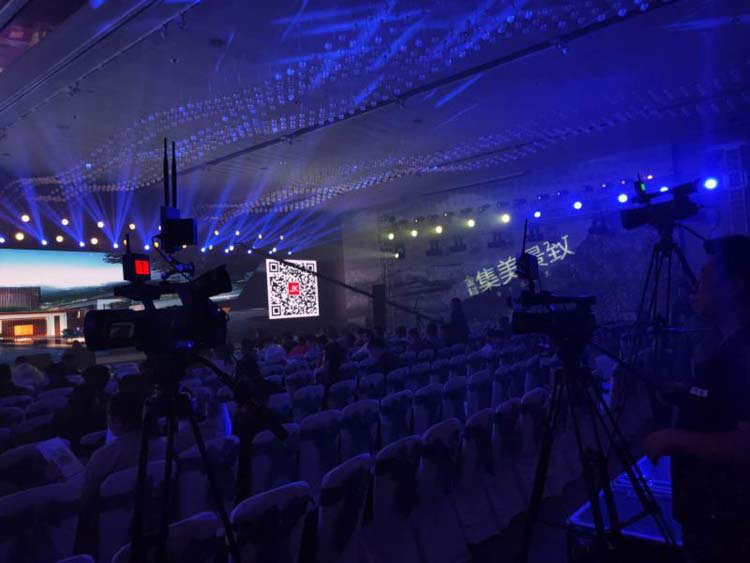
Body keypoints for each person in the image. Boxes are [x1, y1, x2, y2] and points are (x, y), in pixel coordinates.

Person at [645, 235, 750, 562]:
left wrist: (672, 437)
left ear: (734, 286)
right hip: (713, 517)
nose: (694, 289)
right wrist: (686, 394)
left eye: (704, 280)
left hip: (729, 527)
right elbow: (727, 405)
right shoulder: (729, 345)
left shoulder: (743, 352)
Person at [75, 391, 166, 556]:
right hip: (157, 524)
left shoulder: (104, 456)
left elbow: (84, 504)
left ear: (117, 421)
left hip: (106, 537)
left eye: (108, 416)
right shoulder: (164, 445)